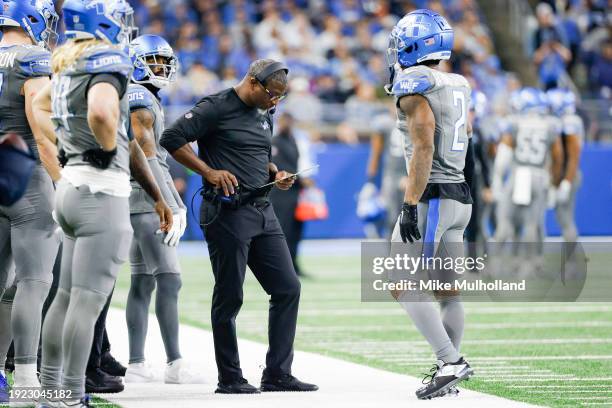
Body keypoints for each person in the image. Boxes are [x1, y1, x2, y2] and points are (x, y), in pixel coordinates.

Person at [30, 1, 171, 406]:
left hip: (70, 188)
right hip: (100, 193)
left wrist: (66, 147)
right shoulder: (106, 59)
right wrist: (106, 151)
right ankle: (70, 395)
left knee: (65, 297)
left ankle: (51, 390)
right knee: (87, 300)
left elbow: (39, 105)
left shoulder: (65, 60)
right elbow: (101, 113)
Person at [161, 59, 318, 394]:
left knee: (288, 288)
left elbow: (258, 156)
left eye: (281, 97)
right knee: (230, 296)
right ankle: (230, 377)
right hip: (227, 213)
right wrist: (207, 171)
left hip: (262, 209)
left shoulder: (266, 111)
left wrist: (275, 173)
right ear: (253, 81)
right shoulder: (216, 106)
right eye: (272, 94)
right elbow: (171, 137)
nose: (276, 102)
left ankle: (277, 372)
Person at [385, 9, 475, 399]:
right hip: (459, 194)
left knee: (398, 280)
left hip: (433, 197)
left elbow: (424, 143)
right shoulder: (457, 81)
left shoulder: (414, 81)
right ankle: (448, 371)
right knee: (446, 291)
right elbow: (464, 134)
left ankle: (449, 361)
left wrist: (410, 204)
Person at [124, 34, 204, 384]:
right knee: (170, 279)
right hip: (145, 202)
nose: (162, 68)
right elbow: (146, 155)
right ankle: (174, 363)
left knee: (142, 281)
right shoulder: (139, 97)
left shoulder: (141, 95)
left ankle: (137, 362)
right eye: (155, 61)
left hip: (134, 200)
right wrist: (171, 203)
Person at [0, 2, 60, 406]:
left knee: (3, 283)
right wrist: (63, 178)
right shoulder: (33, 58)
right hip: (26, 174)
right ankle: (24, 380)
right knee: (34, 280)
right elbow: (39, 124)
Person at [492, 88, 563, 266]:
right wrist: (555, 184)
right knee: (532, 222)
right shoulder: (550, 125)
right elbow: (557, 157)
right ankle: (530, 263)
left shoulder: (515, 123)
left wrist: (498, 178)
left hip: (519, 174)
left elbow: (504, 155)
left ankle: (494, 261)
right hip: (539, 175)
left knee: (506, 219)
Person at [269, 112, 313, 277]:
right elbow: (280, 168)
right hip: (280, 194)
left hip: (295, 193)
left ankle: (293, 265)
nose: (286, 124)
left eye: (289, 121)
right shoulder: (275, 142)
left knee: (295, 232)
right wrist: (301, 179)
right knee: (283, 231)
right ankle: (281, 268)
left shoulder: (294, 140)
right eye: (283, 121)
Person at [546, 88, 583, 244]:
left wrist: (565, 181)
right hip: (563, 174)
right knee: (563, 218)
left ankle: (573, 260)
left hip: (567, 175)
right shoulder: (568, 120)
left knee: (565, 218)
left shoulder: (569, 122)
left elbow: (573, 156)